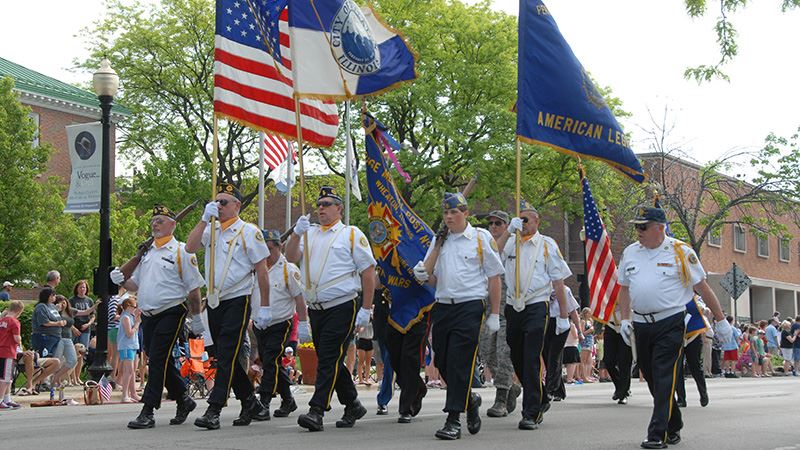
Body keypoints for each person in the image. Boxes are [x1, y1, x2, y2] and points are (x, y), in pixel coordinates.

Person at [616, 206, 732, 449]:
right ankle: (674, 423)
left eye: (643, 226)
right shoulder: (630, 252)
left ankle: (657, 434)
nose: (638, 231)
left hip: (670, 322)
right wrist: (625, 318)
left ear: (660, 227)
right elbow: (624, 288)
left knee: (664, 374)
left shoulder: (680, 252)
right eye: (636, 226)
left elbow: (702, 287)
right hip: (641, 323)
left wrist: (720, 320)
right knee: (651, 377)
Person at [413, 192, 504, 440]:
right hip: (443, 306)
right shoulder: (440, 239)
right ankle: (470, 399)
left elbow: (494, 276)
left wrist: (494, 313)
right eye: (445, 213)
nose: (449, 217)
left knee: (460, 361)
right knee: (442, 361)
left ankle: (453, 419)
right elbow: (431, 277)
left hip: (470, 306)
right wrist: (423, 269)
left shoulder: (479, 238)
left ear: (465, 213)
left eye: (454, 212)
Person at [286, 186, 376, 432]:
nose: (321, 208)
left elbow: (368, 272)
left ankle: (317, 410)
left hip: (342, 304)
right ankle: (352, 403)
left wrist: (366, 309)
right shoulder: (309, 233)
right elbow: (291, 257)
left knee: (327, 356)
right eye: (319, 204)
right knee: (331, 358)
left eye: (327, 204)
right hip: (317, 307)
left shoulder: (351, 234)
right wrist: (295, 234)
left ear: (339, 208)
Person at [186, 185, 272, 430]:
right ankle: (250, 402)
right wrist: (204, 219)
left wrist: (264, 306)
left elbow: (263, 271)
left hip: (238, 298)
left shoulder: (248, 232)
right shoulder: (210, 230)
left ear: (238, 205)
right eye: (217, 202)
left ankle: (214, 409)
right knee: (226, 356)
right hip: (215, 300)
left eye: (225, 202)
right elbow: (190, 248)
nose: (220, 206)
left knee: (226, 353)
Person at [113, 205, 206, 428]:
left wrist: (197, 318)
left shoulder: (182, 251)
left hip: (172, 311)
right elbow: (135, 285)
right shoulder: (147, 253)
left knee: (157, 360)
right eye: (153, 220)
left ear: (173, 225)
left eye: (161, 220)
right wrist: (121, 279)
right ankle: (183, 399)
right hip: (149, 315)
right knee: (158, 360)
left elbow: (193, 289)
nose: (155, 223)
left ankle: (148, 411)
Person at [495, 200, 572, 430]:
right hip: (513, 306)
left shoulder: (546, 245)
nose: (523, 223)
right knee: (517, 356)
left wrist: (564, 316)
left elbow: (558, 283)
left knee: (530, 358)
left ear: (537, 221)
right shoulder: (510, 244)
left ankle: (531, 412)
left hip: (537, 305)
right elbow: (492, 251)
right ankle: (540, 396)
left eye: (526, 219)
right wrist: (509, 230)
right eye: (521, 219)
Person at [251, 229, 309, 419]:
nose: (266, 254)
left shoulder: (289, 270)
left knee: (270, 361)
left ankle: (264, 402)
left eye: (269, 249)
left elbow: (299, 299)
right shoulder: (257, 268)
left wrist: (303, 324)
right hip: (260, 324)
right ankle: (288, 400)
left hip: (280, 323)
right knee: (272, 363)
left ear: (279, 246)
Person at [480, 210, 522, 418]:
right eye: (491, 223)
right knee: (487, 352)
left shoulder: (517, 242)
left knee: (504, 353)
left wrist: (513, 232)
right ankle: (510, 387)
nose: (494, 227)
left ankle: (501, 398)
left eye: (499, 223)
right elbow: (493, 252)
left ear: (507, 225)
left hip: (509, 306)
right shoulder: (486, 242)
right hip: (489, 307)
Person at [51, 295, 98, 387]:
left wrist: (95, 305)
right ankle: (53, 380)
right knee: (58, 359)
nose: (62, 304)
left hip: (68, 338)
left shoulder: (71, 311)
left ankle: (57, 377)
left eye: (64, 302)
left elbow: (85, 312)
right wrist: (57, 309)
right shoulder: (55, 312)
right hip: (59, 338)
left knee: (73, 360)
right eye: (60, 302)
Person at [544, 286, 581, 402]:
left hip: (560, 323)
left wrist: (579, 330)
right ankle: (559, 391)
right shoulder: (541, 288)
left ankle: (549, 389)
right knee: (546, 356)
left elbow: (573, 310)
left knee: (554, 356)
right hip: (544, 322)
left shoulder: (565, 290)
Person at [604, 306, 633, 405]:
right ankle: (620, 387)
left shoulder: (628, 290)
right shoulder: (608, 290)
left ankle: (623, 393)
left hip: (626, 325)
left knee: (624, 361)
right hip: (610, 325)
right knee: (608, 361)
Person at [117, 296, 142, 403]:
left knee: (132, 371)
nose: (135, 308)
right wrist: (137, 324)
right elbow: (129, 333)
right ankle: (124, 395)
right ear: (128, 306)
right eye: (134, 306)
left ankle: (133, 393)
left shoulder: (130, 316)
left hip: (132, 346)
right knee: (128, 371)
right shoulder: (125, 317)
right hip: (126, 346)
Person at [0, 300, 24, 409]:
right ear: (19, 311)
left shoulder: (2, 320)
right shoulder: (14, 322)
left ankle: (7, 398)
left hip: (1, 350)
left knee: (7, 377)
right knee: (5, 378)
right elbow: (16, 338)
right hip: (8, 351)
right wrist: (20, 341)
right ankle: (1, 400)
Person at [31, 287, 65, 357]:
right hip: (44, 336)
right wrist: (58, 323)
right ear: (47, 296)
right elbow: (44, 322)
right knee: (44, 357)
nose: (55, 297)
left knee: (53, 358)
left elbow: (55, 317)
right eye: (53, 295)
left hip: (55, 336)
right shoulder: (41, 306)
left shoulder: (52, 306)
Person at [69, 280, 95, 348]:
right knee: (73, 348)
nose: (82, 289)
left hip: (85, 329)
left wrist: (88, 324)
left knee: (84, 349)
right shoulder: (72, 300)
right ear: (77, 289)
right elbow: (67, 316)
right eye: (80, 287)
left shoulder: (89, 300)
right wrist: (73, 328)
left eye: (84, 287)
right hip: (74, 328)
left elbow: (93, 316)